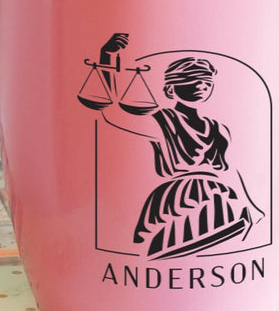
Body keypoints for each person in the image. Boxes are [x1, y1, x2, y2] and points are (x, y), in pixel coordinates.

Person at [82, 36, 263, 258]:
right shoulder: (161, 121)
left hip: (219, 199)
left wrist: (251, 206)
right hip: (180, 199)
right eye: (191, 80)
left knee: (215, 249)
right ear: (171, 89)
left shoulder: (219, 129)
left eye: (206, 81)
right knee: (174, 248)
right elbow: (111, 111)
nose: (200, 85)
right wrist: (107, 57)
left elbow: (227, 171)